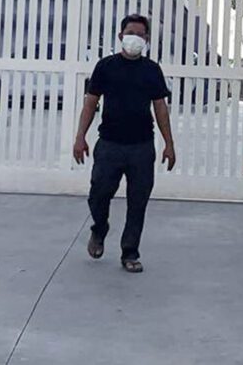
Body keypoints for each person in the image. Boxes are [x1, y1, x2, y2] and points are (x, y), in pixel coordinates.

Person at [73, 14, 177, 274]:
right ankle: (99, 229)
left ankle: (130, 252)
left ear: (147, 40)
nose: (136, 38)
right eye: (131, 32)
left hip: (141, 146)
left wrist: (169, 144)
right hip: (109, 144)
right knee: (99, 193)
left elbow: (160, 108)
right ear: (120, 36)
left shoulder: (151, 70)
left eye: (141, 34)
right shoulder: (105, 67)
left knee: (138, 201)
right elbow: (90, 102)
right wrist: (79, 137)